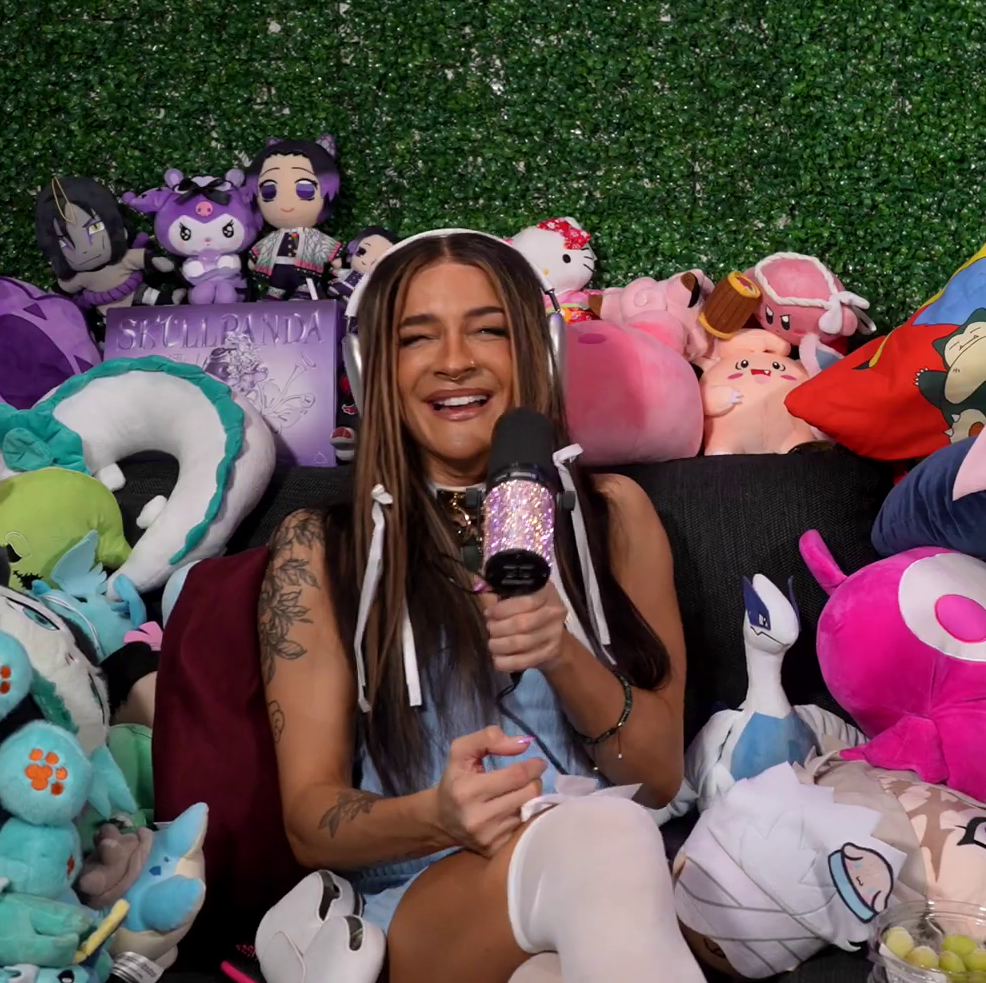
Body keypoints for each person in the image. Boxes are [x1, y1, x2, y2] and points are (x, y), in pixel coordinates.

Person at [258, 229, 705, 983]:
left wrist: (562, 652)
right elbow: (310, 821)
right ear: (370, 369)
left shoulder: (614, 514)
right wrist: (436, 814)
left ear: (541, 353)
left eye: (488, 330)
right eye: (416, 337)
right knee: (604, 836)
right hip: (429, 900)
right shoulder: (318, 548)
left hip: (603, 888)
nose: (455, 360)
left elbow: (657, 775)